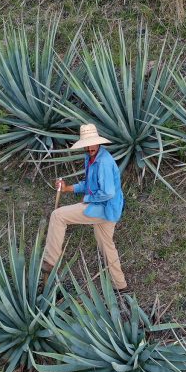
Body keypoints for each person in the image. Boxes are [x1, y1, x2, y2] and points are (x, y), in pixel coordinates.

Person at [44, 124, 127, 291]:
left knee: (58, 216)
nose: (90, 148)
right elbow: (88, 184)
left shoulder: (103, 162)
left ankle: (49, 263)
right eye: (87, 145)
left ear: (98, 143)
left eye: (92, 144)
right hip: (110, 210)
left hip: (103, 207)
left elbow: (108, 193)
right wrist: (67, 188)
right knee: (107, 245)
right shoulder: (91, 158)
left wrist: (88, 199)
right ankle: (121, 285)